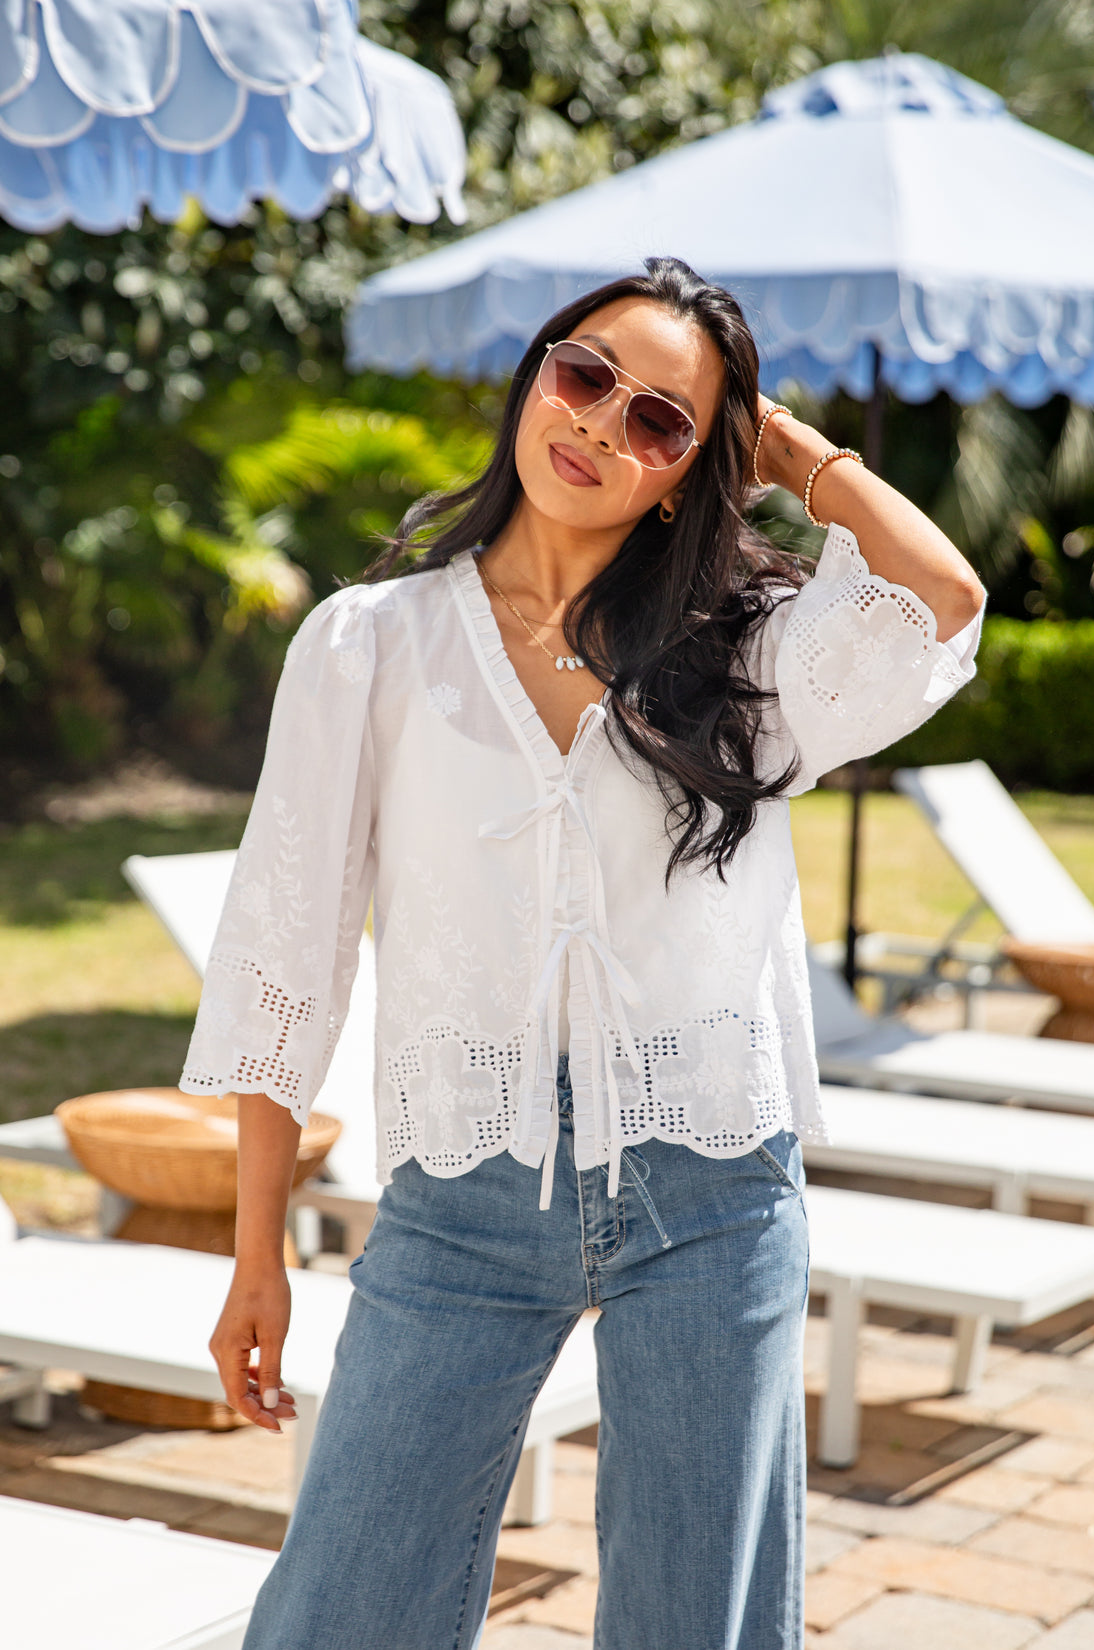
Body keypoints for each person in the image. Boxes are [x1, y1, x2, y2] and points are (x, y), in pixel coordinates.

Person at [180, 256, 985, 1650]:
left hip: (712, 1187)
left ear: (686, 475)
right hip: (462, 1190)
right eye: (586, 373)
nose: (603, 423)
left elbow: (942, 592)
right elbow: (284, 956)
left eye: (660, 421)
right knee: (343, 1605)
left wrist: (789, 452)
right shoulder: (370, 644)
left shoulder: (750, 651)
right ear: (534, 375)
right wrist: (258, 1253)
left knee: (695, 1619)